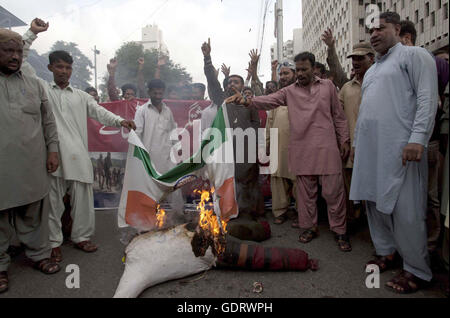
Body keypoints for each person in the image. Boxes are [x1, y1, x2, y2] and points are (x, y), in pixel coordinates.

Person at [21, 22, 136, 263]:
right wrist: (31, 34)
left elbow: (100, 113)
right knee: (52, 204)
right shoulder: (43, 89)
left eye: (68, 67)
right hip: (53, 156)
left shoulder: (82, 96)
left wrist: (121, 121)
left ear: (72, 70)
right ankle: (53, 243)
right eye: (59, 67)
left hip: (78, 155)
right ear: (51, 68)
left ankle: (81, 237)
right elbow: (20, 61)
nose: (64, 71)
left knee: (83, 201)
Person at [227, 52, 352, 252]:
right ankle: (309, 228)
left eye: (304, 69)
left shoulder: (327, 86)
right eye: (298, 70)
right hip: (301, 148)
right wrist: (248, 101)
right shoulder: (289, 92)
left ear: (313, 68)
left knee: (332, 192)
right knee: (305, 193)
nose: (301, 73)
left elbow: (338, 116)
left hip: (327, 147)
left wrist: (344, 139)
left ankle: (339, 230)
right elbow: (268, 100)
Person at [350, 12, 438, 294]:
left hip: (402, 150)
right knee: (374, 204)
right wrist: (357, 145)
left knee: (406, 211)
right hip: (371, 152)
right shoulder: (373, 69)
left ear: (397, 29)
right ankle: (386, 251)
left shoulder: (414, 56)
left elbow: (426, 98)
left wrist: (418, 139)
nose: (374, 34)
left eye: (380, 28)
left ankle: (417, 270)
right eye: (370, 31)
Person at [0, 26, 61, 294]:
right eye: (8, 50)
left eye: (18, 51)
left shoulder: (34, 82)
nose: (15, 56)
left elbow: (48, 120)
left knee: (34, 212)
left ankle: (38, 254)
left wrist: (53, 150)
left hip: (32, 163)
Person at [399, 19, 450, 252]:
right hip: (403, 142)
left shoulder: (432, 62)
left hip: (427, 142)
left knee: (428, 196)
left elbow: (435, 102)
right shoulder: (396, 65)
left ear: (406, 38)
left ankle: (430, 246)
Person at [202, 38, 264, 218]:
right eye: (229, 82)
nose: (232, 85)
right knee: (227, 183)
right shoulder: (221, 101)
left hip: (247, 153)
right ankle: (228, 213)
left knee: (249, 185)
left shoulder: (251, 104)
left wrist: (257, 149)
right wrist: (207, 58)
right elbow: (212, 82)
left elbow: (256, 127)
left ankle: (250, 214)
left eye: (236, 82)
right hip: (226, 153)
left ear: (242, 86)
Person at [339, 43, 375, 230]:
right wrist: (344, 141)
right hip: (350, 148)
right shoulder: (346, 88)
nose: (355, 62)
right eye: (353, 58)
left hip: (376, 148)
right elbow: (339, 118)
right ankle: (352, 222)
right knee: (350, 189)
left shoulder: (380, 81)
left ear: (372, 58)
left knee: (374, 190)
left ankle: (376, 227)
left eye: (360, 58)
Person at [265, 60, 298, 225]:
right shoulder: (277, 97)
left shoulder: (303, 93)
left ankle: (301, 212)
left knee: (300, 182)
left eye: (287, 73)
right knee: (277, 181)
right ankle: (280, 212)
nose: (283, 77)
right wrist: (269, 145)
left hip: (299, 148)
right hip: (278, 147)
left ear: (295, 74)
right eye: (281, 74)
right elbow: (269, 122)